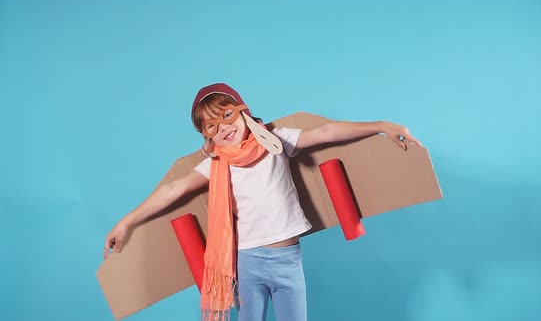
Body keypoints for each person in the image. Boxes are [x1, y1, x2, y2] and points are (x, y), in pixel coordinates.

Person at [103, 83, 422, 321]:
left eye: (226, 116)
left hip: (288, 261)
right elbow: (173, 190)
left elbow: (326, 132)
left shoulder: (277, 138)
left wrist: (383, 126)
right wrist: (126, 221)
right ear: (206, 137)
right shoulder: (217, 164)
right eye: (211, 126)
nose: (223, 128)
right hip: (248, 263)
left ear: (242, 110)